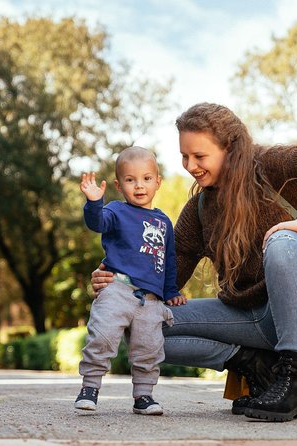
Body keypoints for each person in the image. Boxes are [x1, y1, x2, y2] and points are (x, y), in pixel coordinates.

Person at [92, 103, 297, 422]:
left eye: (200, 156)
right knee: (142, 324)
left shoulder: (265, 165)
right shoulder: (197, 210)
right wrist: (117, 283)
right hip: (253, 319)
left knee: (281, 242)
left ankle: (291, 380)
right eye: (185, 156)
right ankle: (250, 361)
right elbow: (158, 277)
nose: (190, 165)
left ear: (229, 149)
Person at [74, 146, 187, 415]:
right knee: (102, 337)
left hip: (150, 299)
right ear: (118, 184)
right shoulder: (115, 211)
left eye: (147, 179)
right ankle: (90, 387)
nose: (139, 186)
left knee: (149, 349)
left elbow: (167, 260)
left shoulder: (163, 222)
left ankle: (144, 396)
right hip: (117, 289)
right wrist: (93, 202)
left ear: (158, 182)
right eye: (130, 180)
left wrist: (170, 290)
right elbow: (97, 223)